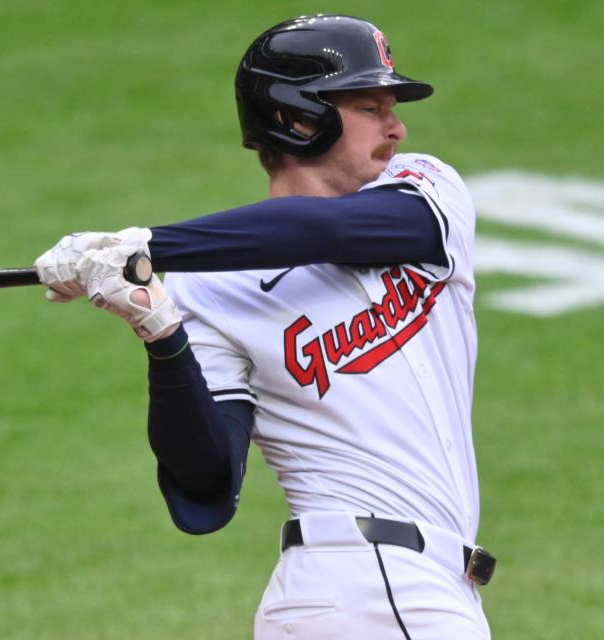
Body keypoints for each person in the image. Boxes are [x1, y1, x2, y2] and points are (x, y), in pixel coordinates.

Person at [35, 14, 495, 639]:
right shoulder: (209, 293)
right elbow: (205, 492)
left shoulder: (425, 191)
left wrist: (150, 244)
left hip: (400, 594)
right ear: (300, 119)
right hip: (372, 592)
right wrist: (162, 335)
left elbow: (325, 230)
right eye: (370, 106)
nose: (398, 127)